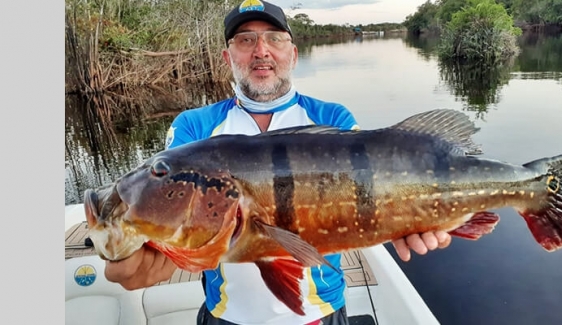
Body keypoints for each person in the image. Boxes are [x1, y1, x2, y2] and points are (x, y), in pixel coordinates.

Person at [103, 1, 452, 324]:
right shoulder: (195, 128)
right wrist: (133, 253)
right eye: (245, 40)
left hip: (320, 314)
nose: (261, 50)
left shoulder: (331, 118)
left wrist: (413, 216)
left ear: (293, 53)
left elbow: (372, 191)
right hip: (226, 316)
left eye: (274, 38)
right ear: (227, 57)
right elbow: (174, 233)